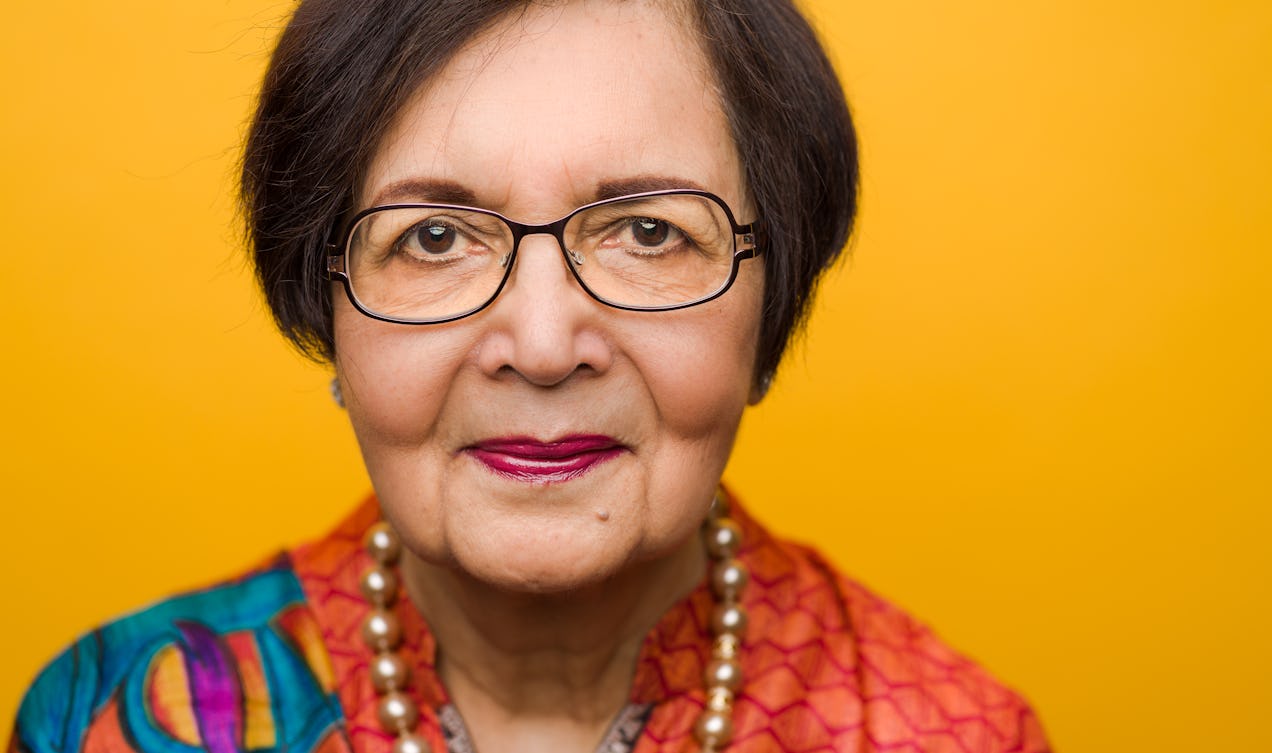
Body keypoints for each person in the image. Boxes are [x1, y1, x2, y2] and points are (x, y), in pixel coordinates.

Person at [10, 1, 1050, 752]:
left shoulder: (944, 733)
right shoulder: (121, 719)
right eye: (430, 237)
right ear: (324, 309)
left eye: (650, 231)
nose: (545, 345)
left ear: (769, 312)